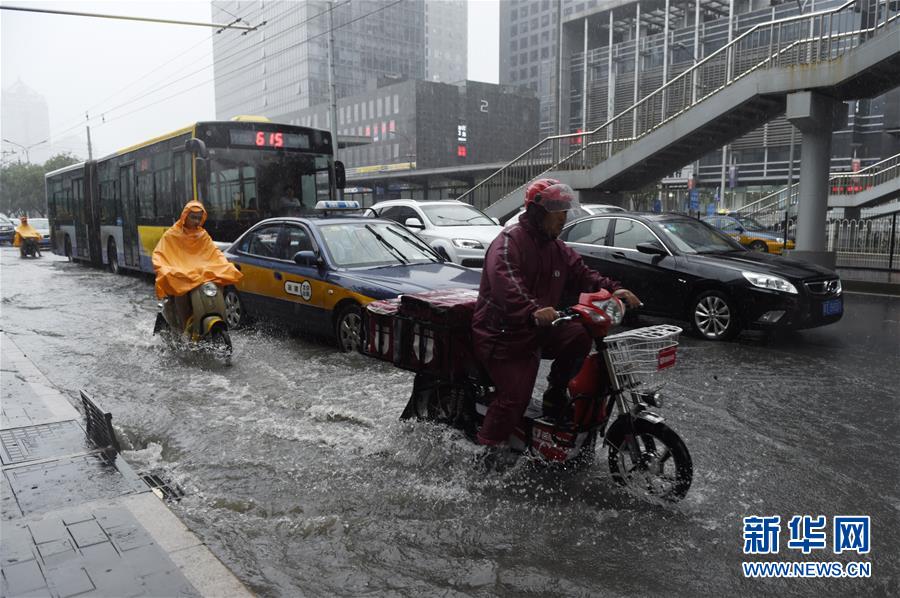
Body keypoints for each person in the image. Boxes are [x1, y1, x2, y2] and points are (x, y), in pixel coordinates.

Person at [471, 180, 641, 463]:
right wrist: (532, 309)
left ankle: (555, 392)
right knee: (515, 396)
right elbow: (506, 284)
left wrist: (613, 289)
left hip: (537, 327)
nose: (563, 218)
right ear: (537, 212)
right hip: (502, 333)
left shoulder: (557, 248)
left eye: (564, 211)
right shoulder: (509, 242)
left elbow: (584, 273)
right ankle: (488, 450)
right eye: (557, 211)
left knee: (578, 334)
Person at [151, 200, 243, 328]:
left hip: (200, 274)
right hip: (182, 273)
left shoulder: (202, 235)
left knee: (221, 282)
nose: (196, 221)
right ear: (185, 216)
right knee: (180, 291)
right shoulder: (172, 234)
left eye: (199, 218)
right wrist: (165, 269)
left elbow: (214, 252)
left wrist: (225, 264)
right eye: (193, 217)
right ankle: (184, 327)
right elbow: (160, 254)